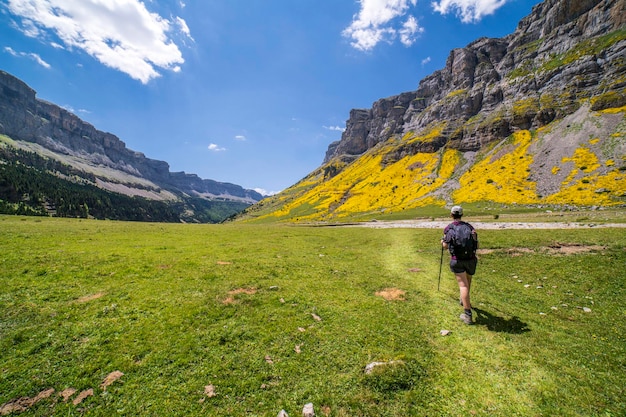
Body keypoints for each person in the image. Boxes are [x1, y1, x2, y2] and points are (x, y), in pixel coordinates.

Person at [441, 205, 478, 325]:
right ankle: (464, 300)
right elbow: (476, 244)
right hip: (471, 259)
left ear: (451, 215)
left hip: (458, 260)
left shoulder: (449, 228)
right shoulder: (469, 227)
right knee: (468, 281)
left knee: (463, 286)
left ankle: (467, 314)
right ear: (462, 214)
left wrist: (442, 242)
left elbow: (446, 245)